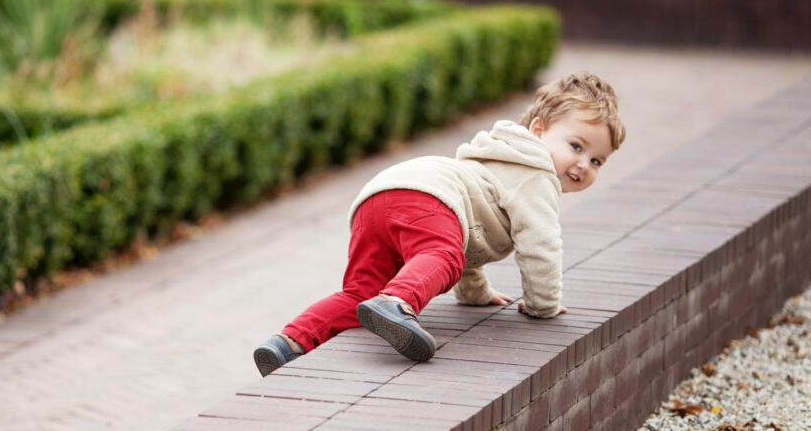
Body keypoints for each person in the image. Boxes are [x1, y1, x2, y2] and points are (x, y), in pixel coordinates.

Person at [253, 71, 626, 377]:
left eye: (597, 161)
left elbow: (473, 228)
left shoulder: (499, 156)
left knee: (358, 295)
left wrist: (474, 294)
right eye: (576, 147)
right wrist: (543, 305)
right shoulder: (537, 174)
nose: (582, 164)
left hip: (378, 198)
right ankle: (397, 303)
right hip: (427, 198)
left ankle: (288, 342)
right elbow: (541, 245)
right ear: (539, 130)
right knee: (440, 255)